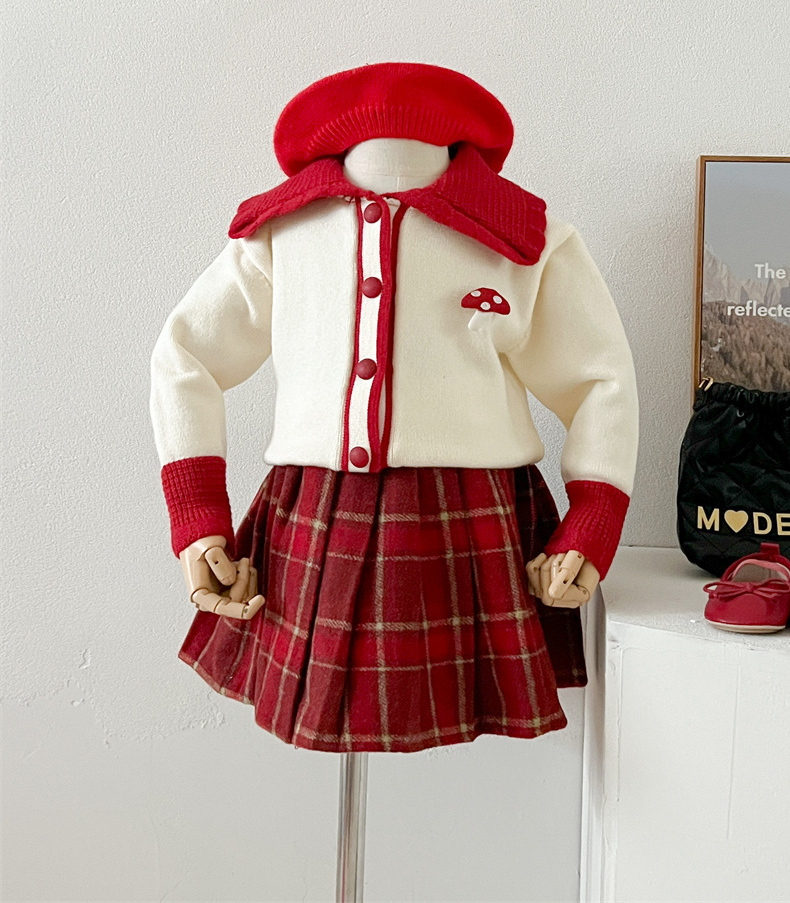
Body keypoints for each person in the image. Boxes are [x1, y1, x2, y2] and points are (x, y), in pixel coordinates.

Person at [150, 62, 639, 752]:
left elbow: (598, 379)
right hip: (315, 515)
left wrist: (593, 519)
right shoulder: (279, 236)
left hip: (473, 521)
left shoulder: (522, 238)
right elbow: (186, 356)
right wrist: (197, 514)